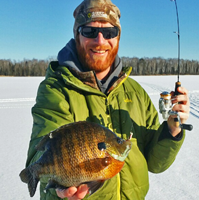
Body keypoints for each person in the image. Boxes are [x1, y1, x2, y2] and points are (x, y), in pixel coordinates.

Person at [25, 0, 190, 199]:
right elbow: (40, 152)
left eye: (110, 32)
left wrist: (172, 131)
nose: (100, 40)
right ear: (77, 35)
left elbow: (155, 164)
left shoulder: (136, 92)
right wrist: (57, 186)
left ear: (118, 37)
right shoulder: (56, 90)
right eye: (89, 31)